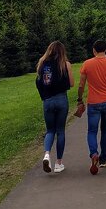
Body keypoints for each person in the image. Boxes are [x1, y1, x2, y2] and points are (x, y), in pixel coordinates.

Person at [77, 39, 106, 174]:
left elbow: (81, 85)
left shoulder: (87, 64)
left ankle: (93, 153)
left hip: (94, 102)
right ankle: (103, 158)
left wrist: (80, 99)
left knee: (92, 131)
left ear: (94, 50)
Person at [35, 41, 74, 174]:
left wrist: (44, 96)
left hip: (48, 100)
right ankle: (59, 163)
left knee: (50, 130)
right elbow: (72, 83)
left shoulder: (42, 64)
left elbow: (38, 82)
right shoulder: (65, 65)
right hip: (61, 99)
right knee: (60, 131)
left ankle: (46, 154)